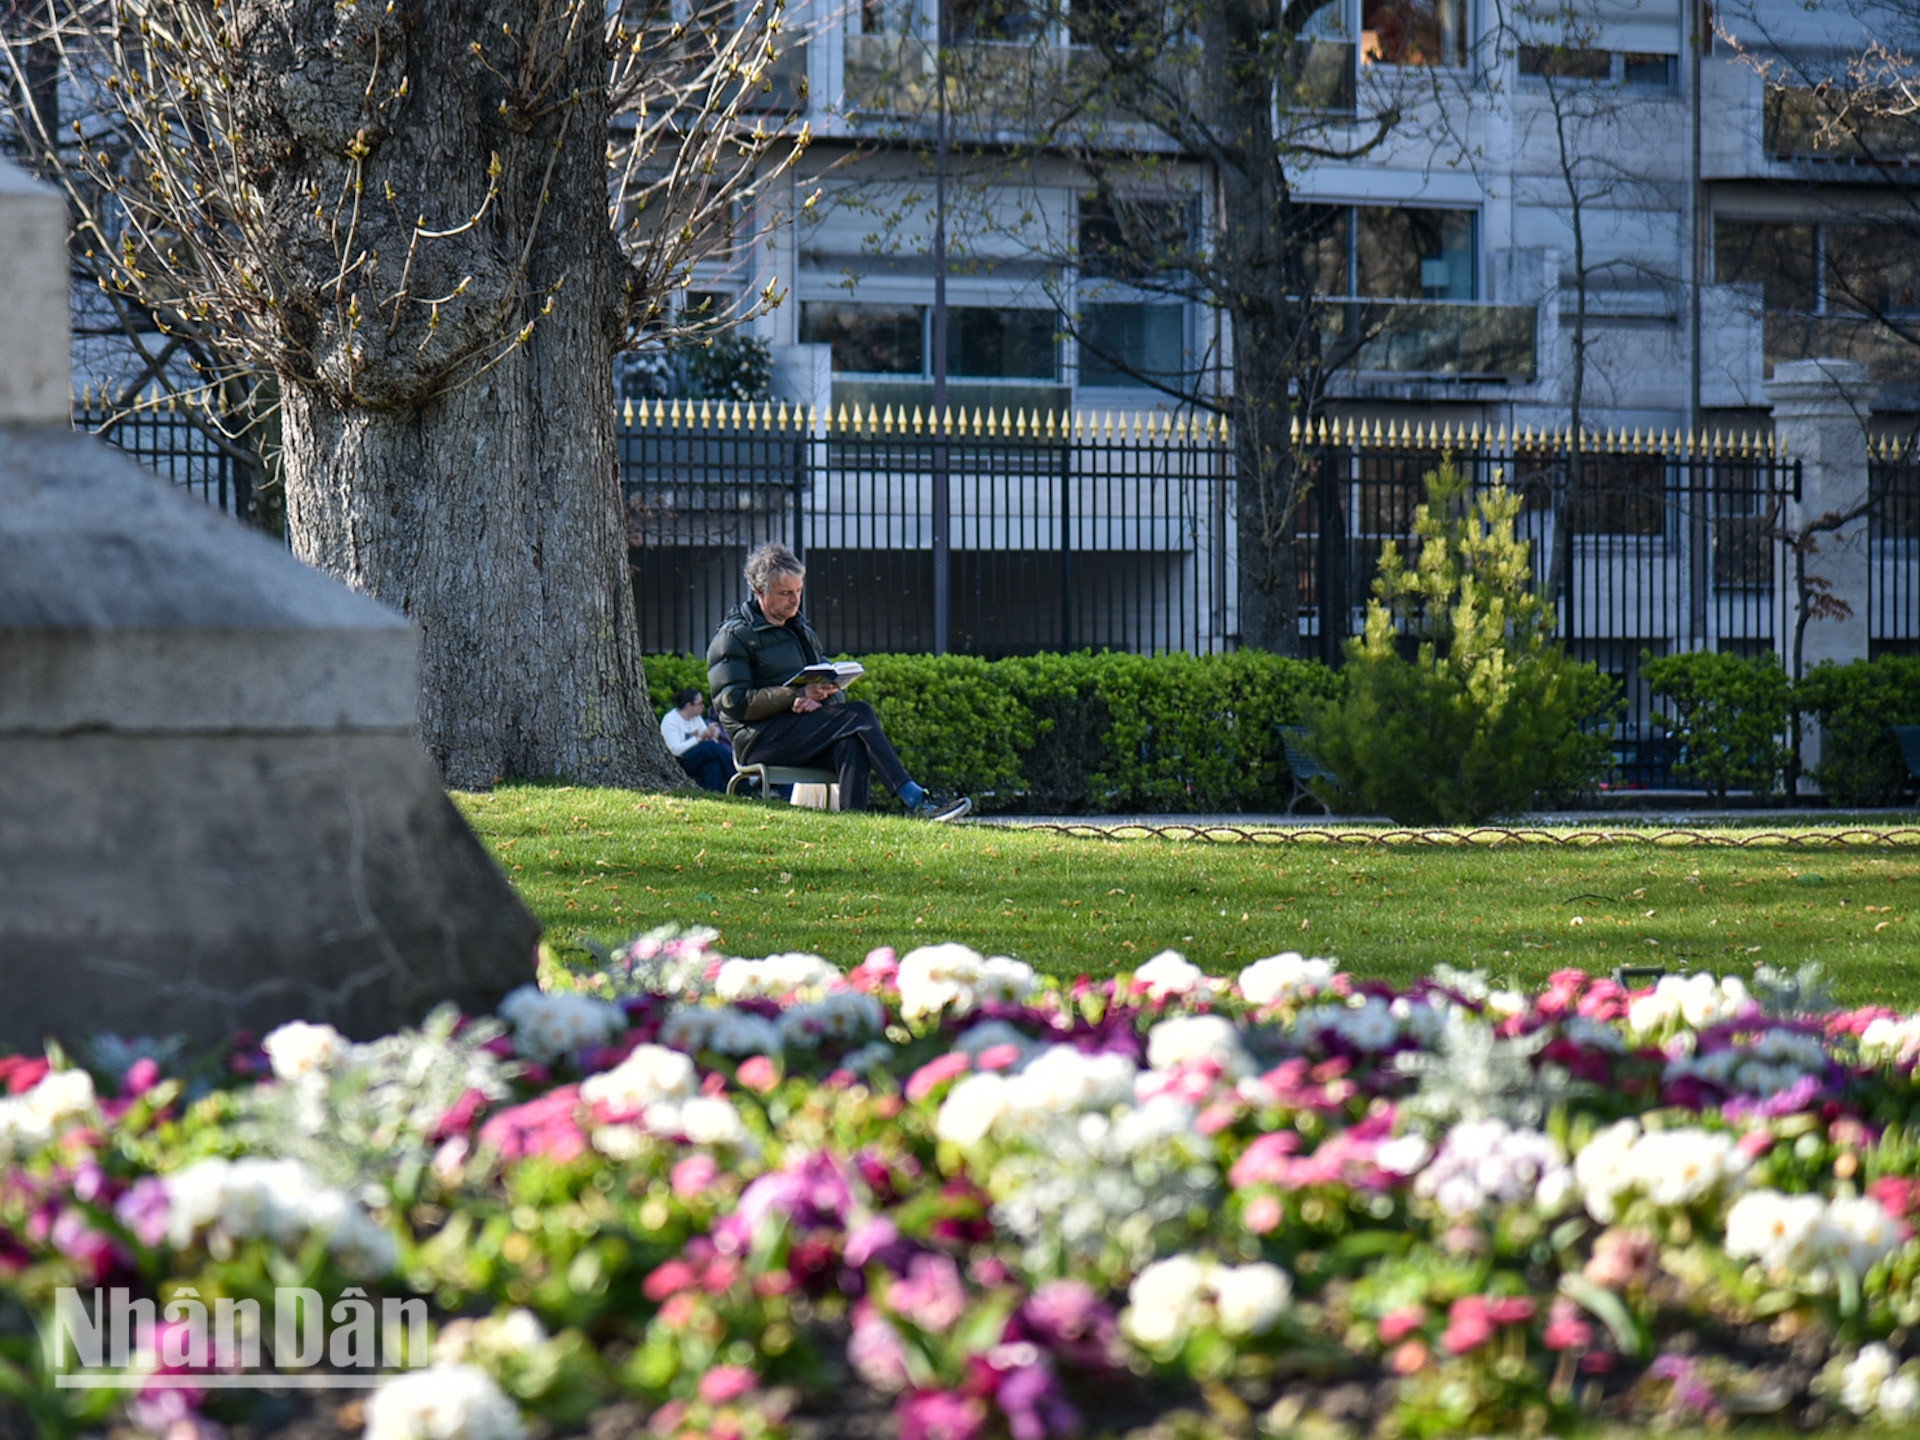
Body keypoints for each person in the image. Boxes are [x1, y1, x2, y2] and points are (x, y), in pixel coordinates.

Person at [707, 543, 971, 820]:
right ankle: (916, 798)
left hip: (801, 730)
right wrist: (794, 695)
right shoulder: (735, 635)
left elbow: (827, 684)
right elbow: (733, 702)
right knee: (861, 713)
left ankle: (852, 824)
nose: (795, 600)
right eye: (786, 593)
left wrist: (820, 699)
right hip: (759, 739)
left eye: (798, 591)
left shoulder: (801, 631)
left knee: (852, 742)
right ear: (760, 592)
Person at [660, 688, 735, 792]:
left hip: (696, 758)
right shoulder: (671, 720)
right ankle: (736, 773)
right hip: (679, 760)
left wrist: (713, 735)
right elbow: (675, 750)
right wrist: (699, 738)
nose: (703, 707)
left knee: (713, 763)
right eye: (699, 704)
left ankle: (716, 792)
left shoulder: (696, 718)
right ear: (689, 706)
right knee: (708, 747)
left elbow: (706, 735)